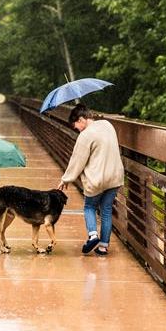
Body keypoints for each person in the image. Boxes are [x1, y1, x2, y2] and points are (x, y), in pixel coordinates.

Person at [58, 103, 124, 256]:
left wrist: (66, 179)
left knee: (89, 207)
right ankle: (103, 247)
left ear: (82, 119)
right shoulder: (108, 125)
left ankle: (93, 235)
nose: (76, 129)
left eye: (76, 125)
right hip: (115, 176)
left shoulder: (85, 135)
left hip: (97, 179)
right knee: (106, 210)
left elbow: (77, 160)